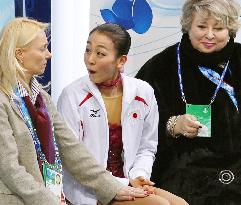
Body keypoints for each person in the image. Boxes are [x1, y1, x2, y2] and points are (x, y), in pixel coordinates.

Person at [0, 17, 149, 205]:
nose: (49, 55)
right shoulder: (3, 101)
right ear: (19, 54)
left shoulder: (42, 98)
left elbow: (72, 149)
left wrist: (112, 187)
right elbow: (10, 169)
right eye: (42, 49)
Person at [57, 23, 188, 205]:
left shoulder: (143, 92)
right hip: (91, 189)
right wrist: (120, 184)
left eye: (100, 53)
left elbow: (147, 146)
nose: (90, 59)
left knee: (180, 203)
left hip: (128, 181)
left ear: (121, 61)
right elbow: (73, 160)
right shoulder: (72, 95)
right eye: (88, 50)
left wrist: (139, 176)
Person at [136, 0, 241, 204]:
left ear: (230, 30)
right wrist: (172, 125)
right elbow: (135, 124)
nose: (209, 35)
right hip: (184, 170)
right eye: (201, 26)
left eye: (218, 28)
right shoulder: (159, 67)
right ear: (188, 26)